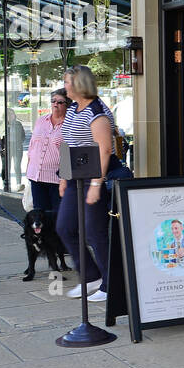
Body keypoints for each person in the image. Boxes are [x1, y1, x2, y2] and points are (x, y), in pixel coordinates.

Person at [57, 65, 119, 304]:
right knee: (65, 227)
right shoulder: (73, 108)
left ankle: (109, 283)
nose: (65, 86)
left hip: (95, 177)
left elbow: (104, 150)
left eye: (68, 82)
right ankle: (91, 275)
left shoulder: (97, 112)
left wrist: (96, 184)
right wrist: (63, 176)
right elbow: (67, 143)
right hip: (75, 178)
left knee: (95, 232)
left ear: (79, 84)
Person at [25, 87, 69, 216]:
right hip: (36, 177)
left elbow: (68, 154)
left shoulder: (69, 125)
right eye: (53, 101)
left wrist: (64, 179)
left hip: (57, 180)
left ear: (67, 105)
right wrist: (28, 171)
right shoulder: (41, 121)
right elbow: (32, 147)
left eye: (60, 102)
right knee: (40, 218)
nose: (55, 104)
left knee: (57, 217)